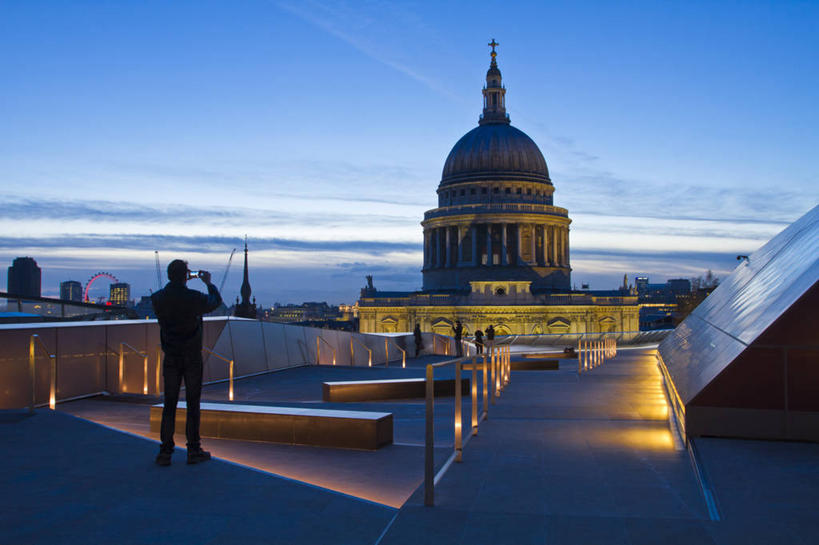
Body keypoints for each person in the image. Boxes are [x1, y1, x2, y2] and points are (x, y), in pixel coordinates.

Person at [151, 259, 222, 466]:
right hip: (191, 356)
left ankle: (165, 452)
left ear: (168, 275)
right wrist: (208, 283)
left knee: (169, 404)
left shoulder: (158, 299)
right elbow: (215, 301)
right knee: (193, 403)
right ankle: (193, 449)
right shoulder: (193, 298)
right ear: (186, 276)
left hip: (171, 356)